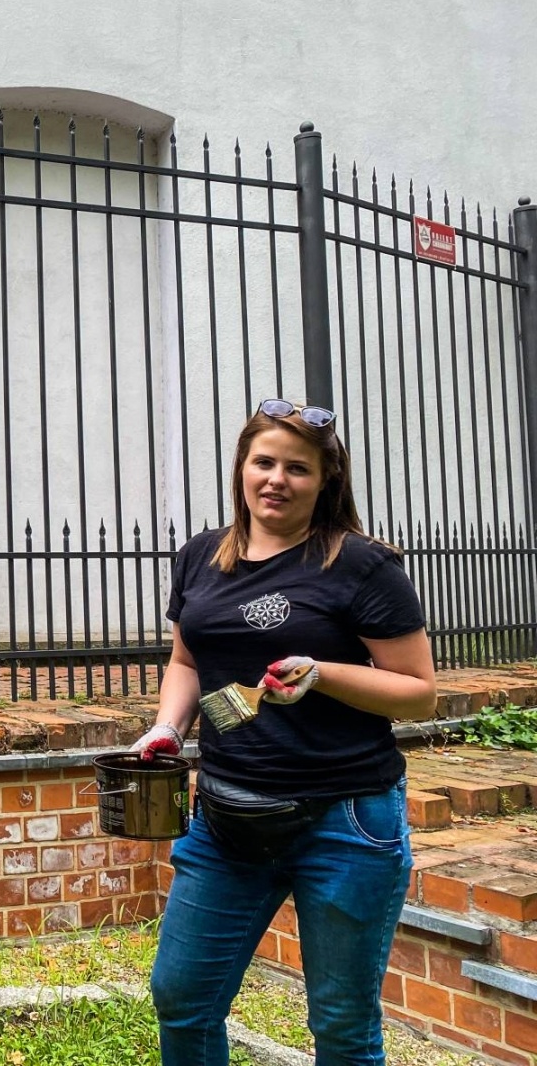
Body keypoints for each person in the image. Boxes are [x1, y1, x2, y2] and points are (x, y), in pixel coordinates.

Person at [138, 399, 436, 1065]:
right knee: (181, 999)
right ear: (242, 467)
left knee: (341, 1025)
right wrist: (167, 727)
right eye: (264, 461)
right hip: (224, 819)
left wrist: (323, 673)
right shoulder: (198, 559)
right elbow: (187, 661)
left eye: (297, 468)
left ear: (325, 480)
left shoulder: (361, 566)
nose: (277, 479)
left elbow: (418, 694)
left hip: (346, 821)